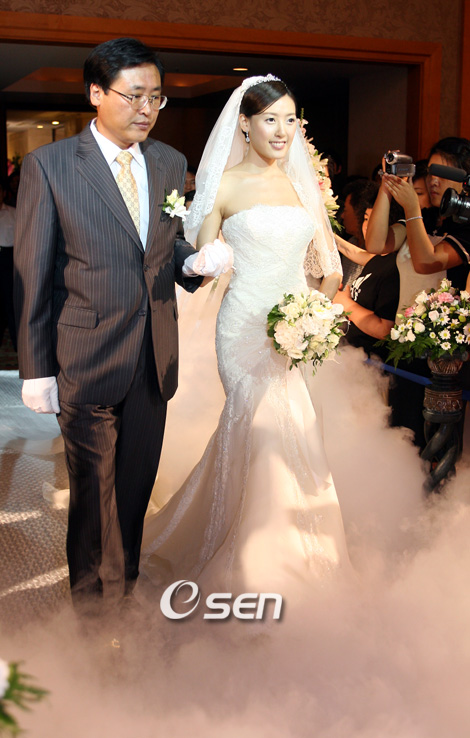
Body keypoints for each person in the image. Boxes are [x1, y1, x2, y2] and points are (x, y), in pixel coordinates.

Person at [13, 37, 229, 618]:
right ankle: (93, 619)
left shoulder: (167, 162)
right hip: (84, 356)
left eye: (156, 97)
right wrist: (36, 370)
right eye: (134, 95)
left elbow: (160, 245)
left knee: (133, 490)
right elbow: (32, 274)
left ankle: (124, 592)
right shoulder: (51, 166)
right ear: (96, 94)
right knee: (93, 495)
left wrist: (190, 263)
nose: (146, 109)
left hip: (153, 356)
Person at [141, 75, 351, 599]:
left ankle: (290, 559)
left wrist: (314, 316)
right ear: (244, 124)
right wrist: (203, 257)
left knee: (292, 431)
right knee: (261, 427)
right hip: (243, 329)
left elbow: (329, 269)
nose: (282, 131)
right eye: (270, 119)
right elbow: (197, 261)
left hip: (296, 329)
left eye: (290, 120)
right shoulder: (224, 184)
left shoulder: (303, 186)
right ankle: (256, 567)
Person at [0, 184, 16, 351]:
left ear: (3, 193)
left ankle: (17, 344)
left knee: (10, 301)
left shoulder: (13, 213)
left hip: (8, 258)